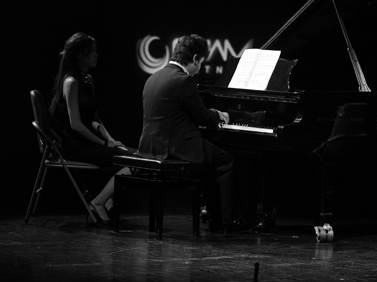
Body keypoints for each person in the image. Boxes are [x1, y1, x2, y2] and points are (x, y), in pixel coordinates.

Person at [138, 34, 248, 233]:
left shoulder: (153, 77)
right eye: (201, 62)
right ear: (195, 58)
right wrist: (219, 114)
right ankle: (228, 220)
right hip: (175, 148)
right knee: (226, 161)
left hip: (151, 146)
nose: (198, 69)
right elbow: (204, 118)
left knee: (209, 163)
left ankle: (216, 218)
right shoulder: (184, 81)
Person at [49, 32, 134, 224]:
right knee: (132, 163)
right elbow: (76, 124)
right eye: (92, 51)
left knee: (135, 157)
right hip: (75, 145)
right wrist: (104, 143)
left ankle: (109, 201)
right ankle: (98, 203)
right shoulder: (70, 82)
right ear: (80, 54)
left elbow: (95, 118)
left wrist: (111, 140)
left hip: (89, 141)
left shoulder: (88, 79)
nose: (97, 55)